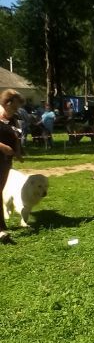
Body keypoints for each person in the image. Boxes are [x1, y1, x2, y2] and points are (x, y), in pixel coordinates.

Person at [0, 89, 25, 244]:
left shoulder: (13, 118)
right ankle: (1, 229)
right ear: (7, 103)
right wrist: (2, 147)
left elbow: (16, 135)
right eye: (15, 107)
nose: (16, 110)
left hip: (5, 161)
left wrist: (18, 151)